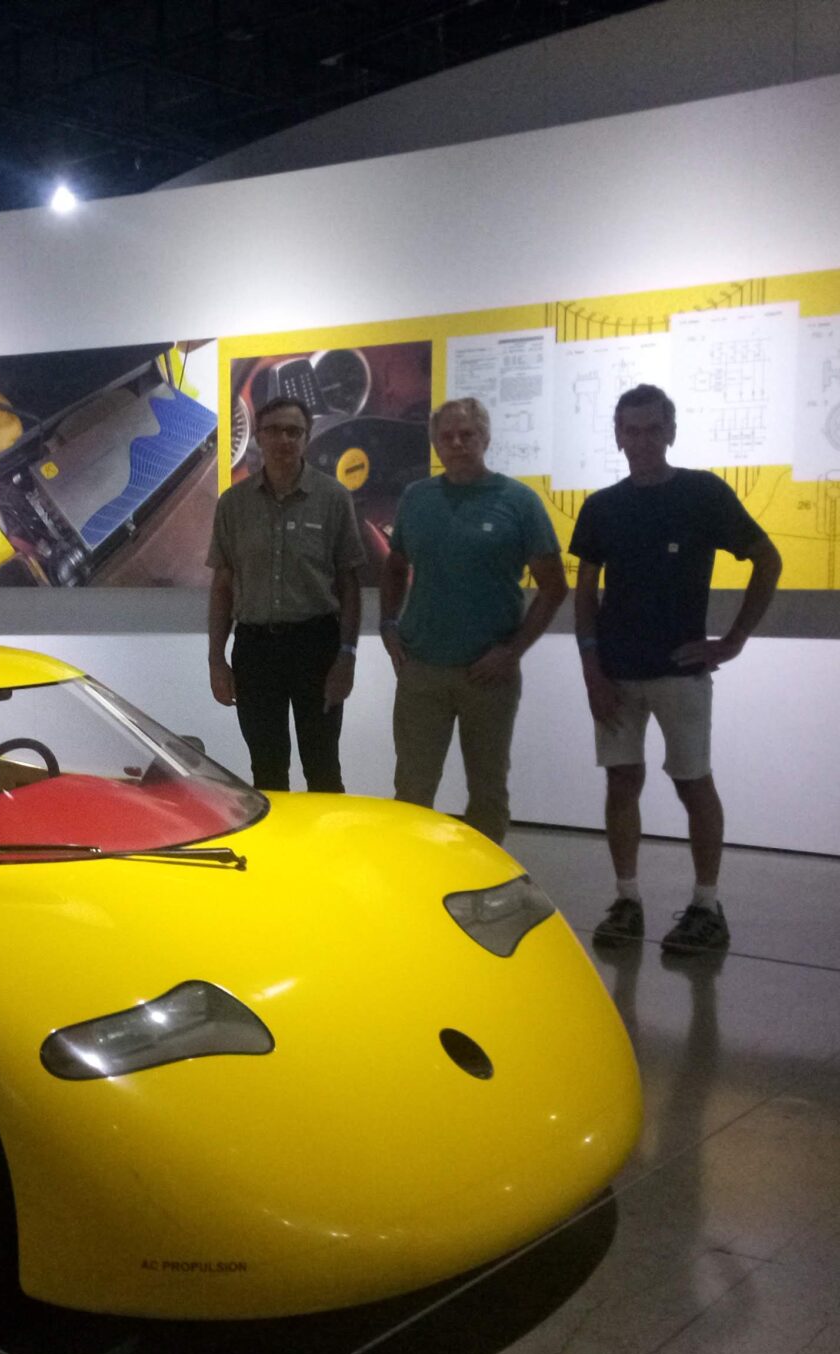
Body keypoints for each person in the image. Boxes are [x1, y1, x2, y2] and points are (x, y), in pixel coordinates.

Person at [571, 383, 783, 956]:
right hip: (617, 670)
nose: (642, 440)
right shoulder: (601, 507)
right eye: (631, 430)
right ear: (618, 436)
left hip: (679, 671)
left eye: (652, 429)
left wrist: (733, 640)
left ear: (670, 432)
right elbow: (585, 594)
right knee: (622, 781)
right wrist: (591, 671)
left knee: (693, 782)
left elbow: (767, 559)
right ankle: (627, 900)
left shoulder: (702, 494)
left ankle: (706, 906)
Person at [379, 396, 568, 841]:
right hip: (421, 670)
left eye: (467, 435)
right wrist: (387, 624)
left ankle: (487, 875)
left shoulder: (519, 502)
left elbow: (554, 587)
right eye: (447, 436)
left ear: (485, 438)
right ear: (436, 444)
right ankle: (411, 874)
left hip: (489, 674)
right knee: (412, 790)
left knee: (487, 791)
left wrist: (512, 652)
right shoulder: (417, 498)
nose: (458, 444)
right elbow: (395, 565)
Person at [207, 395, 365, 792]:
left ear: (307, 438)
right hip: (255, 651)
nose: (284, 439)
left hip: (317, 647)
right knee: (267, 769)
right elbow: (223, 584)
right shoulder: (233, 504)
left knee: (323, 767)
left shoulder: (333, 498)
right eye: (274, 430)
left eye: (294, 431)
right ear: (258, 437)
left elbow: (349, 585)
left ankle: (325, 836)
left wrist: (347, 656)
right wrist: (216, 659)